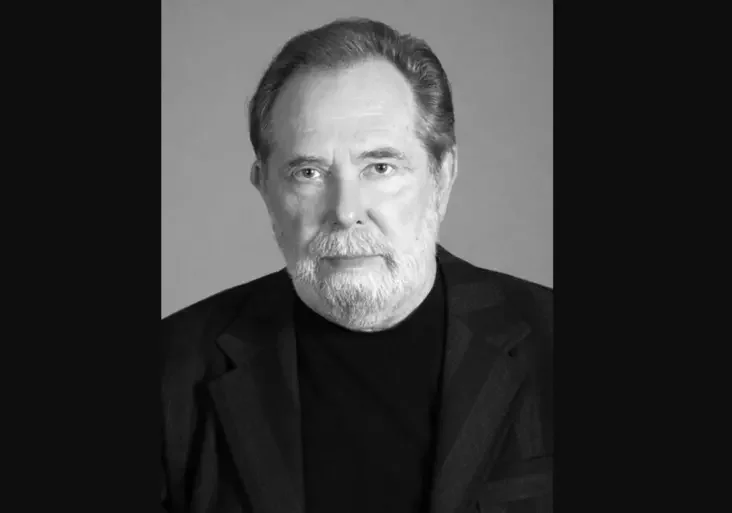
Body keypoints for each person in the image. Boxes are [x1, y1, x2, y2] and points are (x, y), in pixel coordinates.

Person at [161, 17, 553, 513]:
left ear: (442, 176)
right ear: (264, 187)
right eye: (308, 172)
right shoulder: (171, 372)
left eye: (380, 167)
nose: (345, 211)